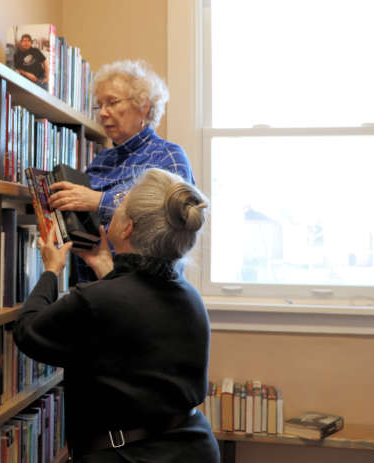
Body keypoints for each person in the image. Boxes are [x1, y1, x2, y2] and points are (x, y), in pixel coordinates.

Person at [14, 168, 219, 462]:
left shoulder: (96, 301)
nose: (112, 212)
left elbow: (28, 331)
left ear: (128, 228)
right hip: (194, 447)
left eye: (120, 204)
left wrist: (50, 270)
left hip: (128, 455)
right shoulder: (189, 296)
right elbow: (135, 320)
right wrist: (104, 266)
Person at [48, 59, 194, 281]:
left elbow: (172, 218)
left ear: (144, 106)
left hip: (146, 292)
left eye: (112, 102)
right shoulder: (100, 161)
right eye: (99, 105)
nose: (103, 113)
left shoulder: (169, 156)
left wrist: (98, 201)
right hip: (91, 288)